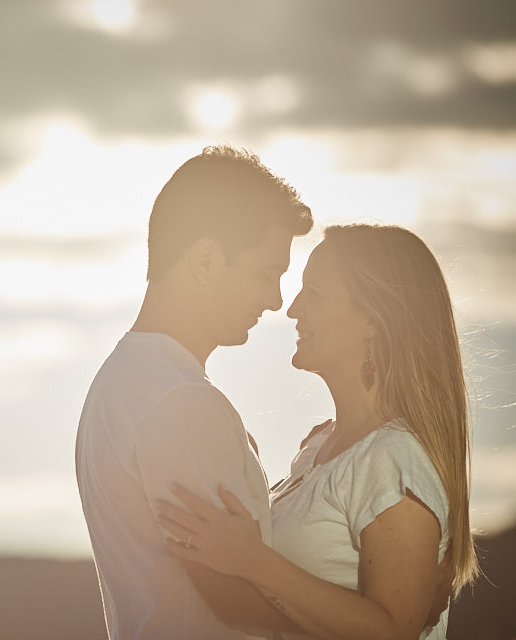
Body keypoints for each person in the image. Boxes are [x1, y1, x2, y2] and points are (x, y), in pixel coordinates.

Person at [155, 224, 478, 639]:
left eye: (315, 294)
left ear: (372, 321)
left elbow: (393, 632)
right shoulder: (318, 448)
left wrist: (253, 561)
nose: (293, 309)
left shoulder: (393, 457)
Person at [75, 145, 314, 639]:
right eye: (265, 274)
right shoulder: (179, 401)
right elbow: (234, 600)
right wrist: (378, 622)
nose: (275, 300)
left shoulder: (119, 383)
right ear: (205, 260)